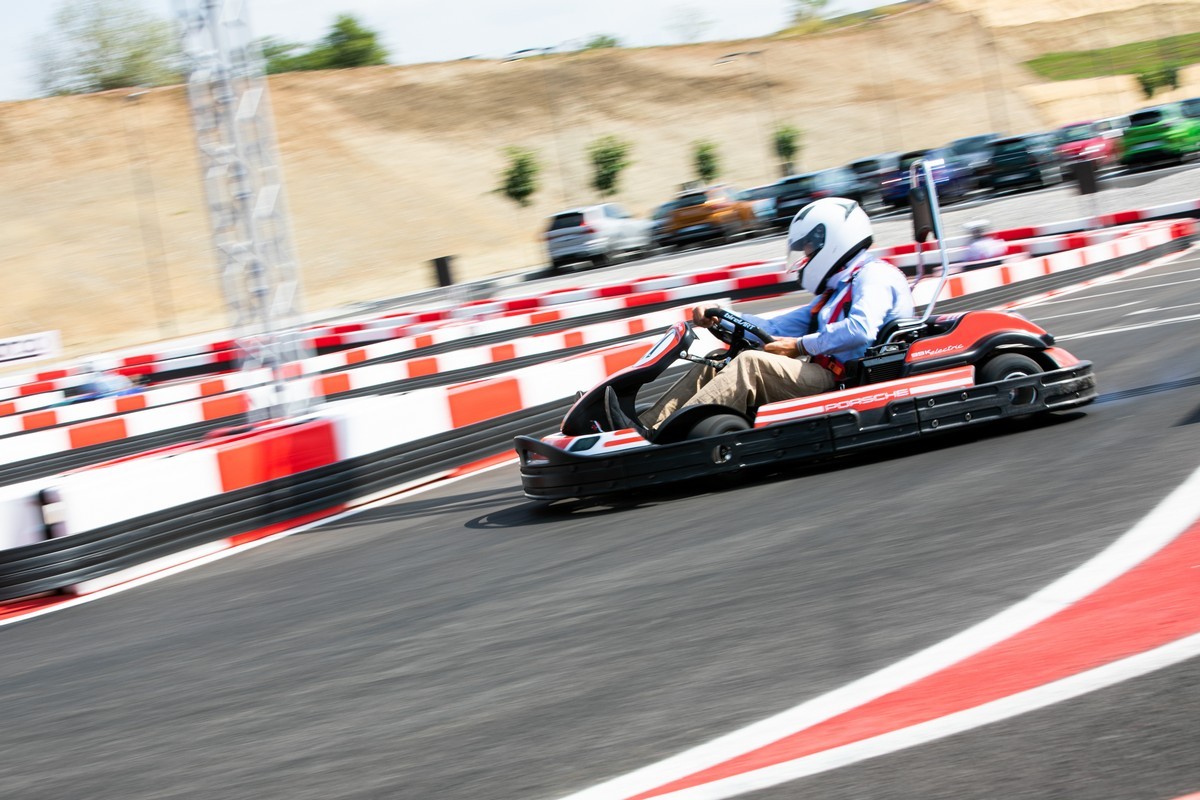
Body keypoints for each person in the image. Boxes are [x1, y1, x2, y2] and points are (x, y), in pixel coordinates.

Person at [607, 197, 915, 436]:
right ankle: (641, 428)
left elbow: (860, 329)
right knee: (721, 357)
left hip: (847, 379)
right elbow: (772, 327)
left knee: (750, 363)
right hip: (826, 372)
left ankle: (667, 434)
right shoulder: (834, 292)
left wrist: (800, 347)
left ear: (833, 240)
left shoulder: (875, 275)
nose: (805, 257)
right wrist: (721, 316)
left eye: (809, 248)